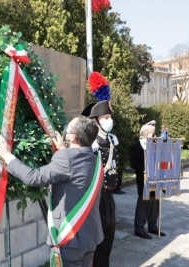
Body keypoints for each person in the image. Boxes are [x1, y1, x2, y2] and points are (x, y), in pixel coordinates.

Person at [0, 116, 103, 267]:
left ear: (72, 137)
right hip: (90, 235)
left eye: (67, 130)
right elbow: (76, 170)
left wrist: (6, 155)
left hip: (70, 238)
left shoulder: (66, 158)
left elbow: (33, 177)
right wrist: (64, 149)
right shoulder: (96, 158)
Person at [82, 100, 118, 267]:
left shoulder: (111, 140)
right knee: (97, 243)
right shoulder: (91, 143)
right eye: (105, 117)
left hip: (109, 197)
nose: (109, 120)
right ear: (95, 121)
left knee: (108, 240)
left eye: (109, 116)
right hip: (97, 199)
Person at [130, 123, 166, 239]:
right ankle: (139, 228)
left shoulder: (155, 145)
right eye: (152, 133)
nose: (154, 135)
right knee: (143, 203)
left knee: (155, 202)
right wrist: (147, 166)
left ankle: (153, 226)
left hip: (155, 178)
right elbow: (133, 163)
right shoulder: (138, 146)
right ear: (145, 134)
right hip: (144, 179)